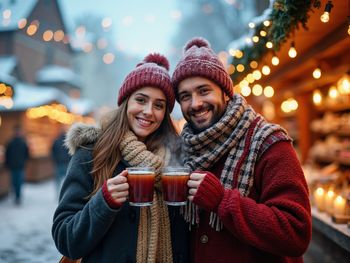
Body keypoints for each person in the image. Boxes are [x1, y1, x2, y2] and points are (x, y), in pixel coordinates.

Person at [171, 37, 311, 263]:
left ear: (225, 92)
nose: (195, 103)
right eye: (185, 96)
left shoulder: (269, 143)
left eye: (203, 90)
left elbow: (296, 233)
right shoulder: (184, 150)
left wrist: (222, 201)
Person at [52, 53, 189, 263]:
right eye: (141, 100)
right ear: (126, 102)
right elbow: (65, 238)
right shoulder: (92, 153)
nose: (148, 111)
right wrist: (104, 202)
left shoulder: (178, 158)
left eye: (159, 105)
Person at [5, 125, 30, 205]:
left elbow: (27, 154)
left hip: (19, 166)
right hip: (14, 166)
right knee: (15, 182)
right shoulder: (11, 143)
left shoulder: (22, 143)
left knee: (18, 182)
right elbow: (7, 154)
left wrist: (24, 161)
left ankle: (18, 197)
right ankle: (17, 196)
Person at [51, 128, 71, 195]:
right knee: (66, 181)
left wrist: (55, 159)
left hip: (58, 163)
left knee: (58, 180)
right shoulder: (68, 142)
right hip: (66, 163)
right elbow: (71, 153)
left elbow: (52, 151)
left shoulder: (56, 141)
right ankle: (65, 193)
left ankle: (58, 193)